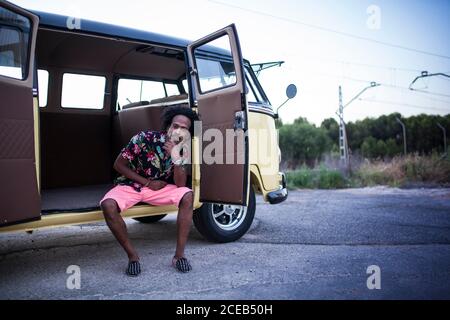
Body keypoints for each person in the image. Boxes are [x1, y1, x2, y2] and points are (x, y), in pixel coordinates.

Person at [100, 105, 199, 276]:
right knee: (108, 205)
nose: (178, 131)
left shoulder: (184, 150)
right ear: (168, 125)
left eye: (184, 128)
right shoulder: (144, 138)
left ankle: (179, 256)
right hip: (132, 185)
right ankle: (133, 257)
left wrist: (176, 156)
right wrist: (146, 182)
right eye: (175, 126)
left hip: (159, 188)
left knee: (188, 195)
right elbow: (118, 165)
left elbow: (181, 185)